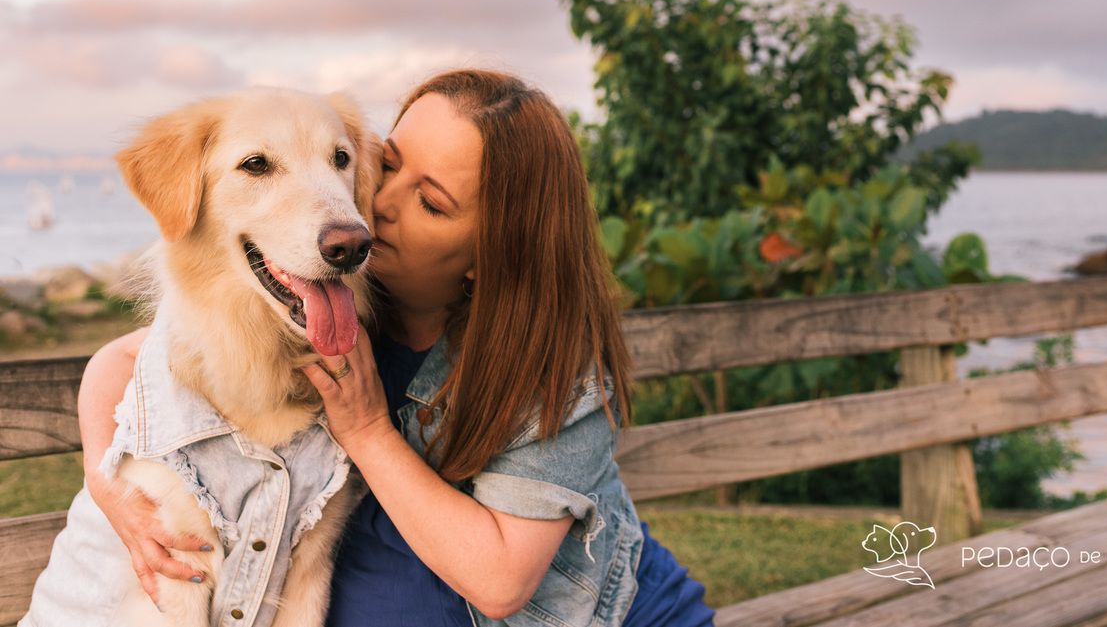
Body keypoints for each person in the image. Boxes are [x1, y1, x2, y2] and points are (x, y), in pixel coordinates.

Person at [78, 69, 715, 626]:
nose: (371, 205)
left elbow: (500, 583)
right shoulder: (328, 303)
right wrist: (111, 488)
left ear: (491, 254)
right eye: (386, 163)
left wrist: (369, 431)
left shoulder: (553, 372)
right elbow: (127, 358)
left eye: (430, 202)